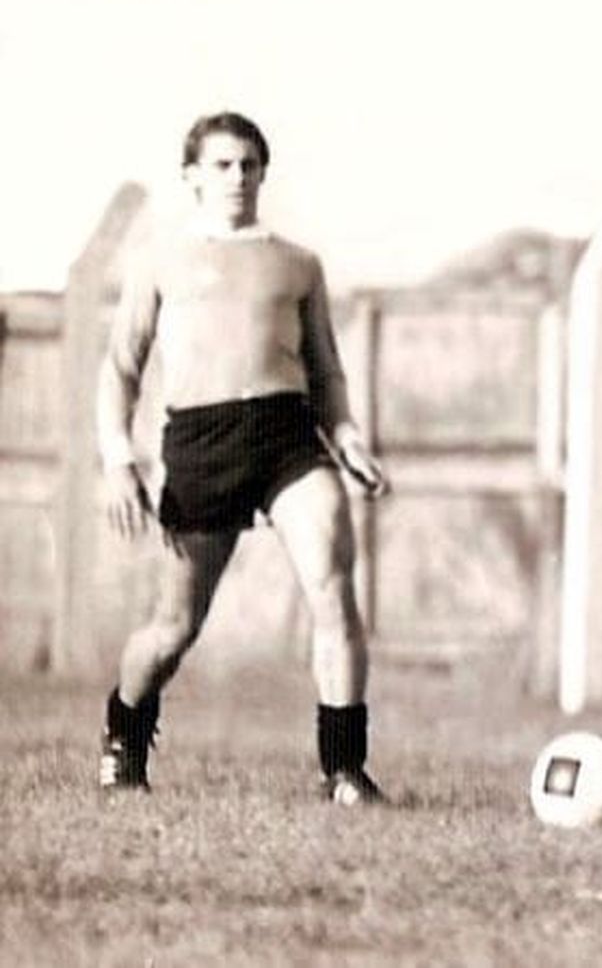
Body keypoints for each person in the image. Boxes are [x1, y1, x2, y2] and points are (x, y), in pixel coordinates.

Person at [96, 111, 388, 804]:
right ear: (192, 175)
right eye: (223, 165)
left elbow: (326, 369)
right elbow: (119, 368)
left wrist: (345, 437)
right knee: (173, 630)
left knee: (334, 591)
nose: (238, 178)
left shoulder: (297, 263)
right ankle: (123, 739)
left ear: (264, 172)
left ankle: (343, 769)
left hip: (289, 438)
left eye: (250, 165)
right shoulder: (160, 259)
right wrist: (118, 460)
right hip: (200, 445)